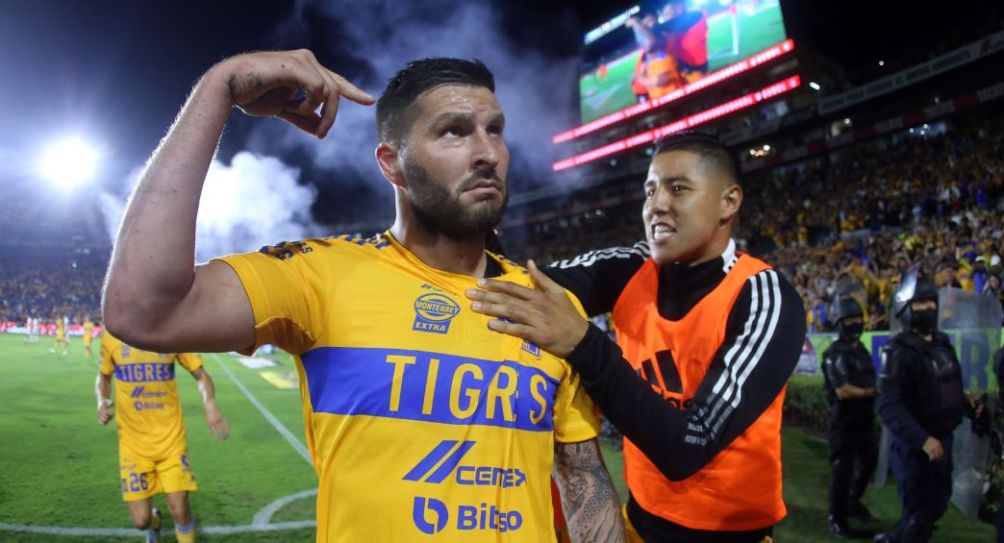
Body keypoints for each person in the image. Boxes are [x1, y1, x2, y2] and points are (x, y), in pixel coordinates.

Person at [102, 50, 624, 543]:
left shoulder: (550, 308)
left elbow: (585, 482)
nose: (488, 153)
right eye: (454, 132)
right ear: (392, 164)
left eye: (496, 131)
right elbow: (142, 309)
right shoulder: (323, 276)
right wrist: (218, 89)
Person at [468, 132, 805, 542]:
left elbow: (689, 446)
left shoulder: (764, 295)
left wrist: (583, 343)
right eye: (650, 190)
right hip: (637, 524)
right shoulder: (630, 267)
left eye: (678, 188)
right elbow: (517, 289)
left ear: (728, 202)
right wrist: (477, 207)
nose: (656, 205)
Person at [874, 273, 978, 543]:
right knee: (919, 514)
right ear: (905, 309)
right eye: (920, 303)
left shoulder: (942, 344)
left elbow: (947, 382)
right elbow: (887, 404)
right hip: (917, 448)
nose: (928, 308)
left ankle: (895, 537)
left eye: (931, 302)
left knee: (936, 505)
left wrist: (964, 401)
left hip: (943, 441)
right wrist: (922, 439)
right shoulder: (897, 352)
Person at [96, 331, 229, 543]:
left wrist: (210, 402)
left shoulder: (170, 330)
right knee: (141, 520)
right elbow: (103, 376)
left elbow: (201, 374)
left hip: (171, 441)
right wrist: (101, 400)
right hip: (133, 445)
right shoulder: (112, 336)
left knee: (180, 510)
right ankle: (155, 523)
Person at [821, 296, 877, 538]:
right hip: (844, 420)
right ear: (839, 323)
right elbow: (843, 390)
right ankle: (836, 518)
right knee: (842, 469)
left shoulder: (861, 349)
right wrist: (871, 391)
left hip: (864, 418)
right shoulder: (834, 353)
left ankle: (852, 502)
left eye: (857, 318)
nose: (855, 323)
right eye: (849, 319)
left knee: (868, 461)